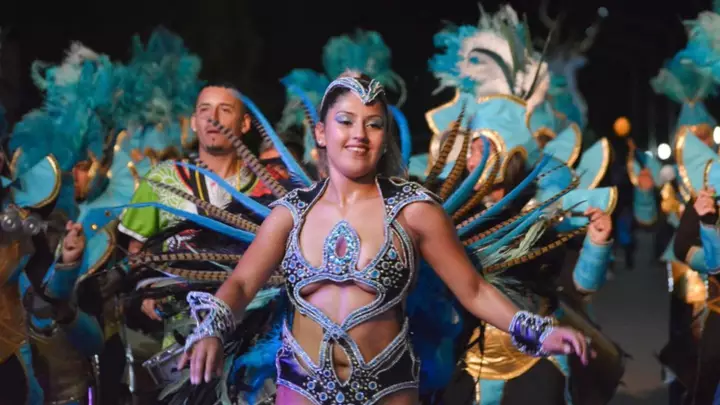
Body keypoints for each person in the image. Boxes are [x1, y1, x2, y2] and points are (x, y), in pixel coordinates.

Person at [179, 73, 590, 405]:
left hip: (387, 389)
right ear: (321, 132)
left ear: (384, 136)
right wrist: (213, 326)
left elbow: (473, 289)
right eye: (346, 121)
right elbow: (242, 282)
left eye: (373, 124)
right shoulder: (290, 213)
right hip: (301, 388)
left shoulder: (414, 211)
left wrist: (536, 331)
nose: (359, 134)